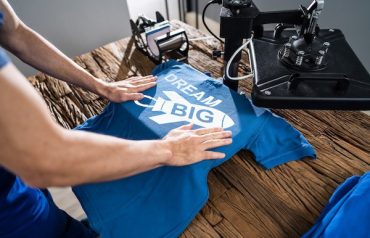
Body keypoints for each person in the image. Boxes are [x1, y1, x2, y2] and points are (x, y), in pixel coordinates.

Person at [0, 1, 232, 237]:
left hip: (26, 191)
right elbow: (45, 160)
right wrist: (169, 151)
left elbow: (16, 33)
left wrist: (101, 86)